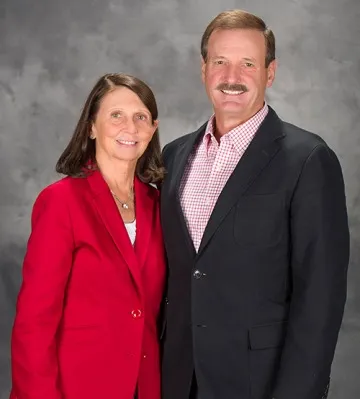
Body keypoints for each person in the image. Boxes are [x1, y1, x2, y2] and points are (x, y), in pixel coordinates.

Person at [160, 9, 350, 399]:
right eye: (220, 62)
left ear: (270, 71)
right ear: (203, 70)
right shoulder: (172, 156)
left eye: (248, 63)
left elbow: (320, 300)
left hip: (258, 383)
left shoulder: (309, 160)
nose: (232, 77)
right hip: (176, 378)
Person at [9, 73, 166, 399]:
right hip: (76, 388)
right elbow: (34, 324)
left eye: (141, 117)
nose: (130, 127)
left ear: (153, 129)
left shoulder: (158, 205)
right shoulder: (61, 202)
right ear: (92, 127)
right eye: (116, 115)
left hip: (145, 387)